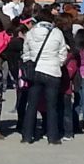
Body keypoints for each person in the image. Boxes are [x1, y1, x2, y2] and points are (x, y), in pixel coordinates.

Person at [21, 8, 68, 145]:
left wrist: (31, 62)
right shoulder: (57, 32)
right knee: (51, 106)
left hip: (36, 71)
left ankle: (27, 136)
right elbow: (63, 52)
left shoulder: (30, 33)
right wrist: (57, 63)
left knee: (32, 105)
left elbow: (26, 53)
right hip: (52, 71)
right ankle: (53, 137)